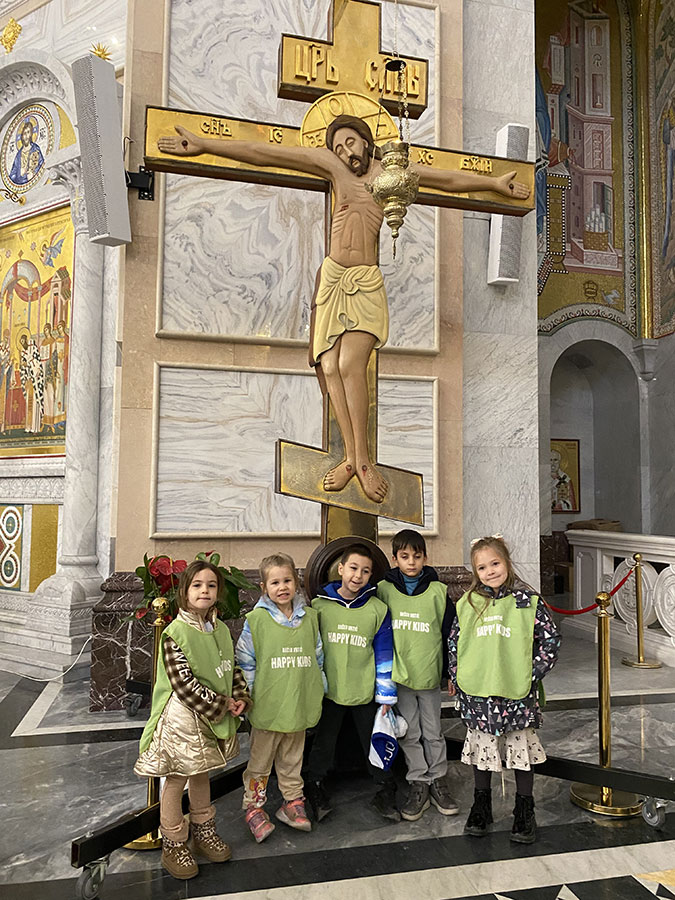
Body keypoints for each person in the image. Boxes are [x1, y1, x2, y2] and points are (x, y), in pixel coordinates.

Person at [158, 117, 529, 505]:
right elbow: (265, 153)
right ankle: (350, 459)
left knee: (352, 365)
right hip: (334, 277)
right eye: (338, 147)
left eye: (350, 143)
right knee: (331, 367)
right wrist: (205, 145)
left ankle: (364, 462)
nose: (345, 152)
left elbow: (446, 179)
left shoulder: (391, 174)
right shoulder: (334, 169)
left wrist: (493, 183)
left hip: (365, 281)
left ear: (366, 142)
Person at [134, 561, 251, 880]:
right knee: (177, 777)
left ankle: (203, 831)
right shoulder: (175, 633)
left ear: (219, 592)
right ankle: (173, 841)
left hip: (211, 715)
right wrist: (222, 704)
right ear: (184, 592)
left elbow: (230, 668)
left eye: (211, 585)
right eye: (197, 585)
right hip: (182, 719)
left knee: (202, 772)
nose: (204, 591)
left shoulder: (221, 630)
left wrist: (240, 696)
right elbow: (183, 684)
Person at [448, 535, 560, 844]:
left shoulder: (528, 601)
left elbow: (550, 640)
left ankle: (524, 809)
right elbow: (455, 643)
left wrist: (531, 673)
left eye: (495, 563)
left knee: (520, 750)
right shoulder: (467, 603)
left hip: (516, 692)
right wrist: (457, 675)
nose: (490, 571)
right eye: (482, 567)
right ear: (475, 571)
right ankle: (481, 806)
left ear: (507, 562)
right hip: (478, 692)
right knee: (482, 750)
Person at [304, 542, 399, 822]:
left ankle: (385, 787)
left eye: (365, 571)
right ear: (341, 569)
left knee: (374, 740)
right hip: (329, 690)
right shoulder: (319, 606)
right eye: (353, 568)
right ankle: (315, 785)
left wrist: (385, 695)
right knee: (324, 742)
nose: (358, 576)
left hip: (364, 691)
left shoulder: (378, 610)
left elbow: (384, 653)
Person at [235, 553, 326, 842]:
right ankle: (254, 807)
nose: (282, 587)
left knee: (292, 758)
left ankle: (292, 801)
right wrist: (248, 695)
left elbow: (317, 657)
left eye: (287, 580)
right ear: (264, 587)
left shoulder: (309, 618)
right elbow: (245, 661)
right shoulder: (256, 621)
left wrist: (319, 687)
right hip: (268, 704)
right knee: (260, 761)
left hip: (297, 701)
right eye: (275, 582)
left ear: (296, 582)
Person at [377, 528, 458, 821]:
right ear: (395, 558)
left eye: (417, 556)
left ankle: (438, 780)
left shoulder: (438, 592)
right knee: (410, 733)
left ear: (425, 557)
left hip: (429, 676)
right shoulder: (384, 591)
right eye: (404, 556)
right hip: (400, 678)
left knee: (433, 731)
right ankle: (418, 782)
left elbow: (451, 634)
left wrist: (451, 673)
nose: (411, 562)